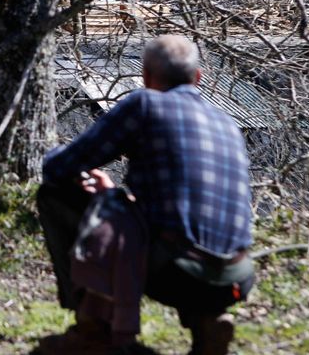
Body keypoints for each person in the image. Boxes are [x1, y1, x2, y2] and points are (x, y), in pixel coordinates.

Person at [37, 35, 255, 355]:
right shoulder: (228, 122)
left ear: (146, 76)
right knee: (181, 231)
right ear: (198, 77)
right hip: (236, 278)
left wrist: (107, 196)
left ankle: (93, 329)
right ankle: (207, 322)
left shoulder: (144, 104)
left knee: (56, 193)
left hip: (174, 271)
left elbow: (58, 168)